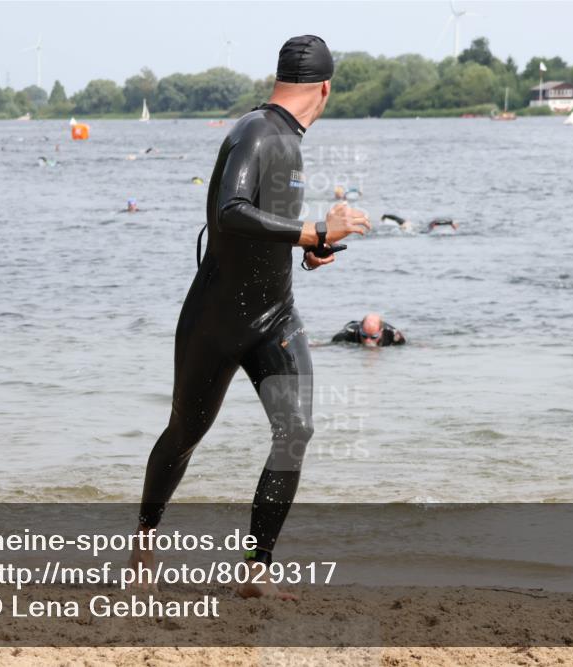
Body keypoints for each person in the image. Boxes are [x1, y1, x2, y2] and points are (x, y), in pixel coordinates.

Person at [130, 35, 370, 599]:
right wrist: (312, 229)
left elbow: (264, 231)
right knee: (185, 433)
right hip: (216, 319)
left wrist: (313, 248)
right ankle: (144, 543)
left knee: (296, 430)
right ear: (325, 89)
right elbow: (230, 212)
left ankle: (255, 568)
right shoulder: (257, 132)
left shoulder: (288, 140)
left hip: (275, 317)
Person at [332, 313, 407, 347]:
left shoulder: (393, 335)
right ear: (360, 330)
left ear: (381, 332)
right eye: (364, 336)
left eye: (373, 337)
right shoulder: (347, 334)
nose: (368, 341)